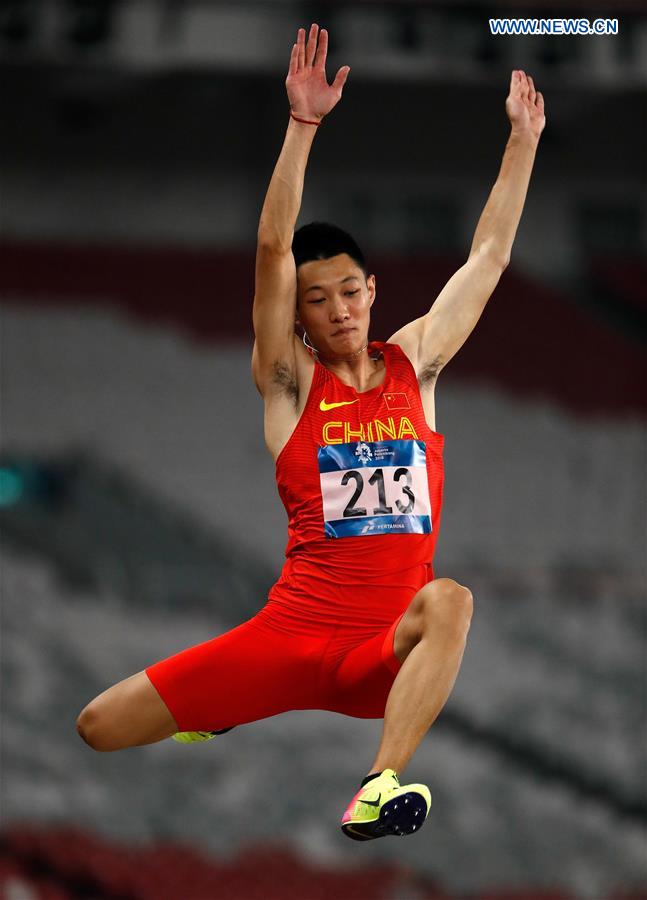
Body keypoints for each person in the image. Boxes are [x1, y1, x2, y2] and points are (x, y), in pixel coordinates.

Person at [77, 23, 545, 841]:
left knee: (452, 601)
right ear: (297, 317)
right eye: (317, 301)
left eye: (349, 293)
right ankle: (221, 713)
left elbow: (491, 254)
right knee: (97, 727)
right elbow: (268, 249)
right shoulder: (289, 384)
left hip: (381, 656)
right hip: (289, 638)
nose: (338, 312)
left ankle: (379, 785)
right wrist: (301, 128)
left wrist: (523, 140)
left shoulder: (417, 365)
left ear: (372, 289)